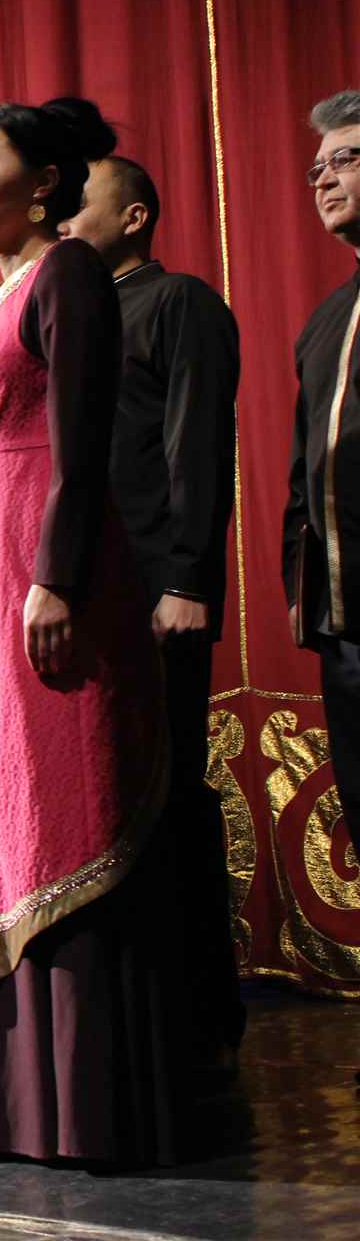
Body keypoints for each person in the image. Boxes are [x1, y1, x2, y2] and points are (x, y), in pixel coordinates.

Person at [0, 97, 186, 1165]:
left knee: (71, 801)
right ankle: (28, 1100)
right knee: (16, 810)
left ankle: (94, 1102)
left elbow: (81, 443)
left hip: (54, 573)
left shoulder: (69, 270)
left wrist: (57, 576)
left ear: (43, 183)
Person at [60, 151, 245, 1064]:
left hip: (156, 591)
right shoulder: (71, 318)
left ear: (134, 218)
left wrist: (189, 581)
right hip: (84, 594)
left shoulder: (178, 303)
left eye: (79, 202)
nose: (60, 217)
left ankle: (196, 1018)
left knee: (168, 795)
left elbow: (196, 448)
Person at [285, 89, 360, 852]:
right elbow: (301, 475)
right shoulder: (325, 322)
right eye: (317, 169)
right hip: (344, 626)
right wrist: (299, 589)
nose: (325, 179)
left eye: (345, 159)